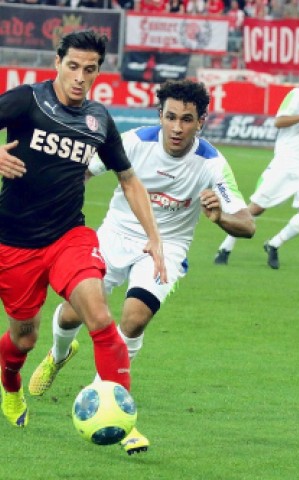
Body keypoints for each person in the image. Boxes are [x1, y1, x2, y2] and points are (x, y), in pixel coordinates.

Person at [28, 79, 255, 454]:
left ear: (202, 121)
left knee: (134, 318)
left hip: (164, 249)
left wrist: (221, 219)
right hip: (114, 237)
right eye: (171, 117)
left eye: (187, 119)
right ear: (159, 115)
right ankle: (58, 354)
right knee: (72, 314)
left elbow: (246, 223)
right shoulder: (133, 142)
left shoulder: (213, 164)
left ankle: (108, 395)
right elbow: (81, 171)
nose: (177, 127)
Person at [0, 29, 166, 435]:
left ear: (97, 72)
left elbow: (128, 178)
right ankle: (9, 385)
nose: (79, 76)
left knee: (99, 315)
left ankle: (126, 423)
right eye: (72, 66)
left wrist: (155, 236)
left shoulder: (97, 119)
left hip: (68, 238)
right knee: (23, 339)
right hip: (15, 241)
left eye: (89, 70)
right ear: (57, 63)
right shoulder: (26, 100)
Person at [214, 52, 299, 269]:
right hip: (288, 161)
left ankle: (273, 244)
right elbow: (279, 121)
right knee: (256, 208)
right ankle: (225, 247)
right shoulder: (298, 95)